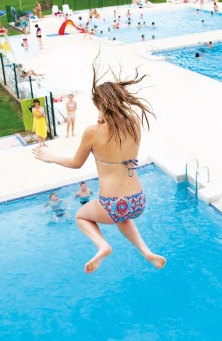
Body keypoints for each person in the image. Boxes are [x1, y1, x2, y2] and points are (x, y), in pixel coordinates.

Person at [33, 62, 166, 274]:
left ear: (101, 106)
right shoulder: (134, 123)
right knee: (122, 217)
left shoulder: (92, 132)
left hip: (112, 203)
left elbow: (76, 164)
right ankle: (145, 250)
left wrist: (51, 157)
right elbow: (117, 134)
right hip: (138, 200)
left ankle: (102, 246)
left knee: (81, 216)